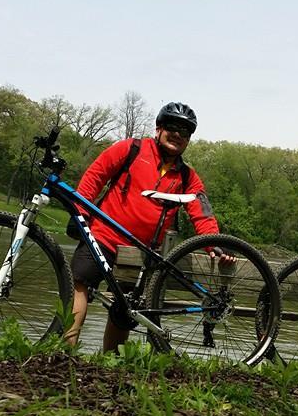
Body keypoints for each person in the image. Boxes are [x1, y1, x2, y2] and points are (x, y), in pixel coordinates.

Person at [65, 101, 233, 352]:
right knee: (79, 283)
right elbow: (95, 176)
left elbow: (202, 213)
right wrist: (79, 213)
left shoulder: (187, 176)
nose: (177, 134)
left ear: (188, 140)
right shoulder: (130, 149)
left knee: (124, 310)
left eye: (185, 132)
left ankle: (109, 362)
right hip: (103, 235)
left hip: (142, 252)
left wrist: (214, 245)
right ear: (158, 129)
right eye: (172, 127)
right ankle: (66, 353)